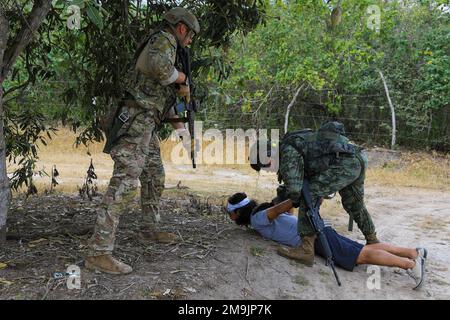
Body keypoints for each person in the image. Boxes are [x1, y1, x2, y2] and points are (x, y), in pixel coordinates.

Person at [85, 7, 200, 275]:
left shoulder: (170, 50)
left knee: (153, 175)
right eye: (191, 35)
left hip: (146, 121)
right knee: (125, 182)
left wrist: (186, 138)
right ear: (182, 29)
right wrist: (183, 79)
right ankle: (98, 252)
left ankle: (149, 230)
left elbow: (167, 106)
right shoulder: (164, 40)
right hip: (136, 118)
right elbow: (162, 70)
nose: (191, 41)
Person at [226, 192, 427, 290]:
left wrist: (299, 196)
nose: (230, 218)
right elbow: (284, 212)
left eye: (230, 214)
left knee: (362, 256)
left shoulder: (257, 218)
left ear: (237, 211)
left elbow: (279, 209)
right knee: (362, 248)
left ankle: (410, 265)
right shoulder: (258, 215)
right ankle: (413, 253)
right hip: (319, 230)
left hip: (314, 236)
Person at [249, 122, 379, 266]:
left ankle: (306, 250)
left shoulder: (287, 151)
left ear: (268, 157)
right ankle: (372, 240)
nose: (268, 170)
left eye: (265, 166)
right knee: (354, 204)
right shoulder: (292, 143)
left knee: (307, 196)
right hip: (357, 158)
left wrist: (290, 199)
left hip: (345, 163)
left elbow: (295, 191)